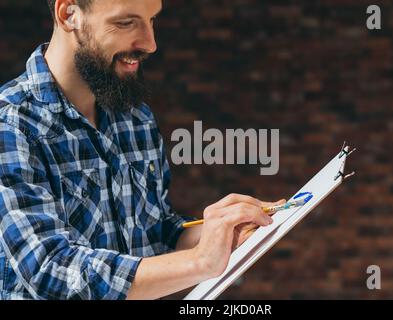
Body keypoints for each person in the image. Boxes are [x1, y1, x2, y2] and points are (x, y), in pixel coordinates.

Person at [0, 0, 283, 300]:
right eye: (126, 23)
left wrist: (222, 232)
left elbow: (157, 233)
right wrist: (200, 262)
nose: (150, 44)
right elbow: (48, 268)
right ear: (69, 14)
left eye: (152, 21)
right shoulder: (11, 123)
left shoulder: (136, 117)